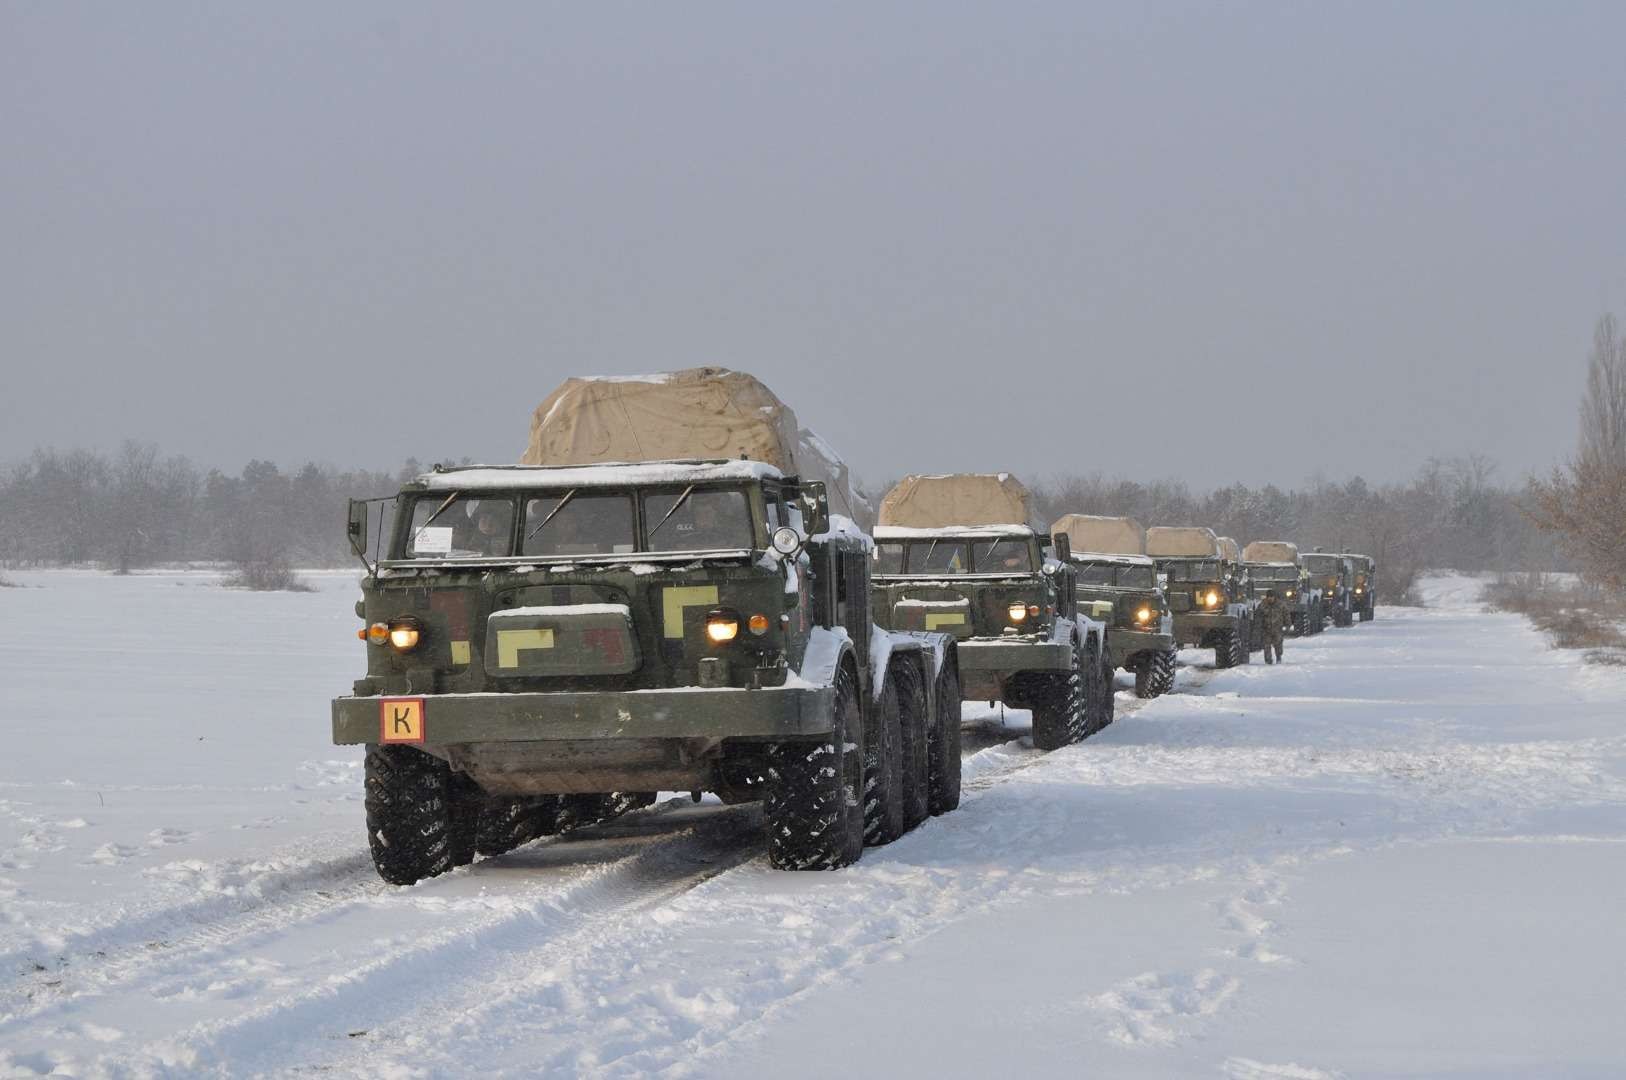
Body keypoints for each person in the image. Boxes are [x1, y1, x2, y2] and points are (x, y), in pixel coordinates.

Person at [1258, 588, 1288, 664]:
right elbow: (1258, 616)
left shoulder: (1281, 605)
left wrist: (1288, 625)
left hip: (1277, 628)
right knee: (1266, 645)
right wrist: (1258, 627)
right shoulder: (1262, 605)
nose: (1270, 598)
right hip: (1266, 629)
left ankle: (1278, 657)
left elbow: (1286, 615)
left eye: (1271, 597)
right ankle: (1268, 660)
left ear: (1274, 597)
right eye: (1268, 597)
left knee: (1278, 644)